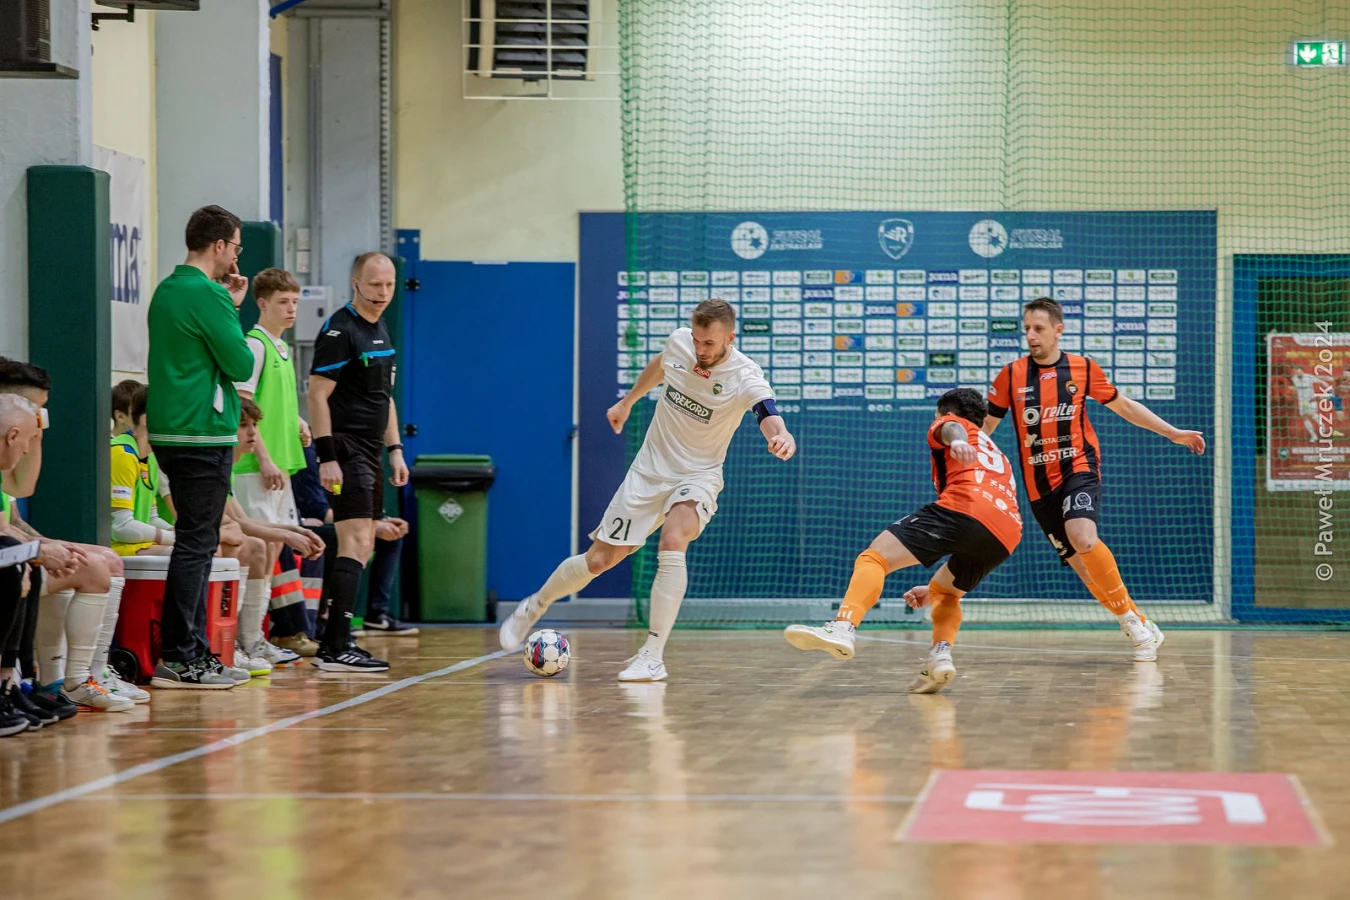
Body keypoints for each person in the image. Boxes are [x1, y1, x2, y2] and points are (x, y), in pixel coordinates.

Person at [499, 299, 796, 682]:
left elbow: (767, 412)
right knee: (598, 561)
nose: (700, 349)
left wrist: (780, 436)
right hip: (649, 471)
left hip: (698, 475)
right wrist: (627, 402)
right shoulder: (680, 344)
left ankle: (652, 655)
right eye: (697, 340)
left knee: (673, 539)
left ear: (730, 338)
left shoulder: (745, 375)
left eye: (709, 343)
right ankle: (534, 606)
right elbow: (661, 365)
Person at [979, 297, 1205, 661]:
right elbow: (987, 426)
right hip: (1039, 485)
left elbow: (1125, 406)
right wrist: (961, 449)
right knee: (1084, 569)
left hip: (1078, 467)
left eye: (1038, 328)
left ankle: (1132, 626)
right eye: (1027, 329)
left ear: (1058, 330)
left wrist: (1172, 432)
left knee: (1083, 537)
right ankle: (1137, 620)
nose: (1031, 336)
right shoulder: (1010, 375)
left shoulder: (1082, 369)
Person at [783, 389, 1022, 694]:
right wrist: (931, 589)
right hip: (1006, 532)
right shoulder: (996, 451)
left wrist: (957, 440)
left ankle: (843, 626)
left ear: (946, 412)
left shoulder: (952, 424)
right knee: (946, 593)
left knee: (874, 557)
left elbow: (952, 427)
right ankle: (940, 656)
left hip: (966, 507)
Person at [146, 204, 257, 690]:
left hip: (171, 430)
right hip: (202, 431)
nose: (236, 257)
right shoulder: (209, 295)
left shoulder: (167, 289)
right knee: (197, 543)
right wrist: (232, 307)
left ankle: (192, 651)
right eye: (236, 247)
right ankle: (181, 655)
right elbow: (239, 363)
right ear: (219, 246)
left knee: (195, 540)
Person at [306, 252, 409, 672]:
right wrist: (327, 457)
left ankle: (340, 638)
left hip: (371, 449)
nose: (382, 293)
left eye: (389, 285)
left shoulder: (381, 327)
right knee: (353, 542)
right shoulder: (340, 329)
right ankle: (334, 647)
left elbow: (385, 399)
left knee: (364, 543)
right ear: (356, 284)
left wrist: (395, 448)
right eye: (374, 285)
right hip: (346, 448)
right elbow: (316, 395)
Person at [232, 267, 312, 667]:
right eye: (283, 302)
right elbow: (244, 405)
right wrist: (262, 456)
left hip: (282, 466)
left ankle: (256, 639)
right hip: (254, 468)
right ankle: (242, 641)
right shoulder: (255, 345)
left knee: (275, 549)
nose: (291, 309)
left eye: (295, 301)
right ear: (262, 303)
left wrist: (297, 421)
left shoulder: (282, 347)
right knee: (257, 549)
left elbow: (272, 402)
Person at [219, 399, 325, 677]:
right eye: (243, 425)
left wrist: (293, 531)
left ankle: (251, 640)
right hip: (185, 541)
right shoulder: (217, 463)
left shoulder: (226, 465)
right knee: (251, 545)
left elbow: (241, 519)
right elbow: (239, 524)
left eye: (254, 425)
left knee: (266, 542)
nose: (252, 432)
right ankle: (232, 643)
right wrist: (288, 535)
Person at [110, 382, 175, 556]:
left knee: (201, 553)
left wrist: (177, 532)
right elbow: (121, 527)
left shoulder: (150, 458)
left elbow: (151, 519)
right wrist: (174, 538)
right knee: (184, 556)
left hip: (135, 545)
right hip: (113, 549)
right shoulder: (122, 454)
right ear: (147, 419)